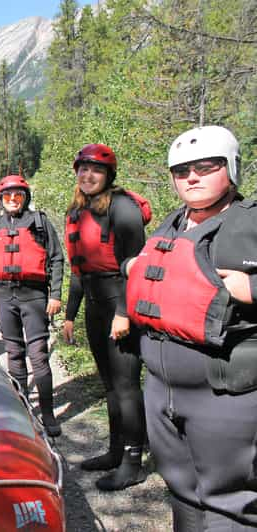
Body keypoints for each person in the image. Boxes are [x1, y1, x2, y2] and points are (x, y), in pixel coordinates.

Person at [124, 125, 257, 529]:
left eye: (206, 166)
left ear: (231, 169)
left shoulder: (250, 221)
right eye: (182, 170)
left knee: (228, 501)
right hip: (163, 390)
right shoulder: (174, 222)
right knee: (182, 492)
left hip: (223, 392)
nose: (192, 177)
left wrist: (251, 286)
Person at [62, 143, 149, 491]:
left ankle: (133, 461)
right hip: (96, 305)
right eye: (82, 169)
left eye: (95, 170)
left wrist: (124, 313)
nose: (88, 175)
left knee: (127, 385)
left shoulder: (123, 208)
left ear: (108, 176)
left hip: (121, 301)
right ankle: (115, 452)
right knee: (110, 385)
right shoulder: (77, 210)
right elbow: (79, 270)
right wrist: (70, 316)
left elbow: (137, 267)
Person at [0, 175, 64, 437]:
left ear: (25, 198)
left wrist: (55, 295)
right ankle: (23, 410)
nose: (13, 200)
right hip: (3, 296)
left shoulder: (39, 223)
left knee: (38, 355)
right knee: (13, 353)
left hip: (33, 295)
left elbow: (57, 259)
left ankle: (47, 414)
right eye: (7, 196)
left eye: (18, 195)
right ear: (0, 200)